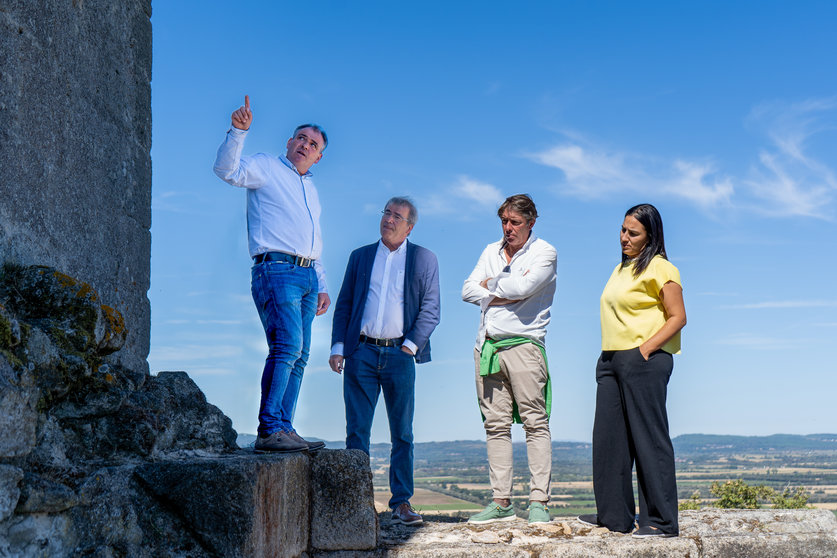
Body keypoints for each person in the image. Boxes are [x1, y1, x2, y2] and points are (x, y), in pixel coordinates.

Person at [213, 95, 331, 453]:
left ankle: (285, 427)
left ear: (318, 156)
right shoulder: (266, 166)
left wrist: (322, 283)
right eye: (301, 138)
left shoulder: (311, 188)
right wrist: (238, 131)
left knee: (301, 354)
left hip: (307, 277)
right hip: (276, 270)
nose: (304, 146)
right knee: (287, 347)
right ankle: (269, 429)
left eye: (313, 144)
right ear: (289, 142)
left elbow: (312, 239)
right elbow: (226, 171)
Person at [329, 197, 440, 526]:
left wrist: (409, 346)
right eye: (387, 213)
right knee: (356, 432)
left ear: (410, 226)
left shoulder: (424, 258)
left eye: (397, 216)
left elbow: (431, 308)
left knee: (402, 434)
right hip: (360, 353)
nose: (389, 220)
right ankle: (357, 504)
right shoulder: (360, 256)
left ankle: (401, 503)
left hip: (400, 355)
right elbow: (345, 303)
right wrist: (338, 346)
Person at [578, 203, 686, 538]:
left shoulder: (662, 268)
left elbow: (678, 317)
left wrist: (645, 349)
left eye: (633, 233)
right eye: (623, 230)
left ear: (650, 236)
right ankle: (615, 517)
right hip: (610, 360)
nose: (624, 237)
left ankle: (661, 521)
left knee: (648, 439)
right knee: (609, 440)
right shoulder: (620, 270)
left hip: (644, 361)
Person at [461, 194, 557, 525]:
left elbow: (526, 286)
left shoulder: (545, 252)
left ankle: (538, 503)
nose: (508, 228)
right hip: (487, 346)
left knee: (535, 421)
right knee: (496, 425)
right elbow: (466, 290)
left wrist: (490, 287)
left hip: (525, 345)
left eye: (515, 222)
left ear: (531, 222)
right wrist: (502, 292)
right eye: (504, 220)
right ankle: (501, 502)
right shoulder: (491, 251)